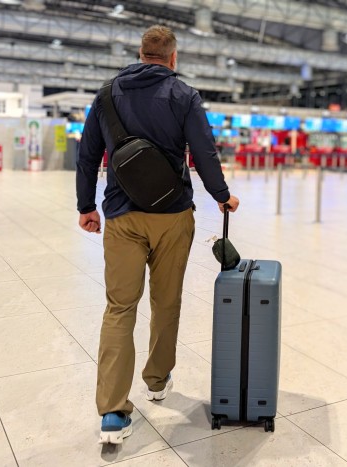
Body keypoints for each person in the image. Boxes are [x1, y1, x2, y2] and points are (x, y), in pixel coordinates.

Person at [75, 25, 240, 445]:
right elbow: (204, 151)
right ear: (172, 57)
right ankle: (156, 379)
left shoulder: (107, 93)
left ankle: (112, 413)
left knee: (119, 308)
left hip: (122, 216)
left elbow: (88, 154)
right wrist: (221, 196)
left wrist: (86, 207)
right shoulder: (184, 95)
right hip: (171, 215)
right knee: (166, 302)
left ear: (140, 53)